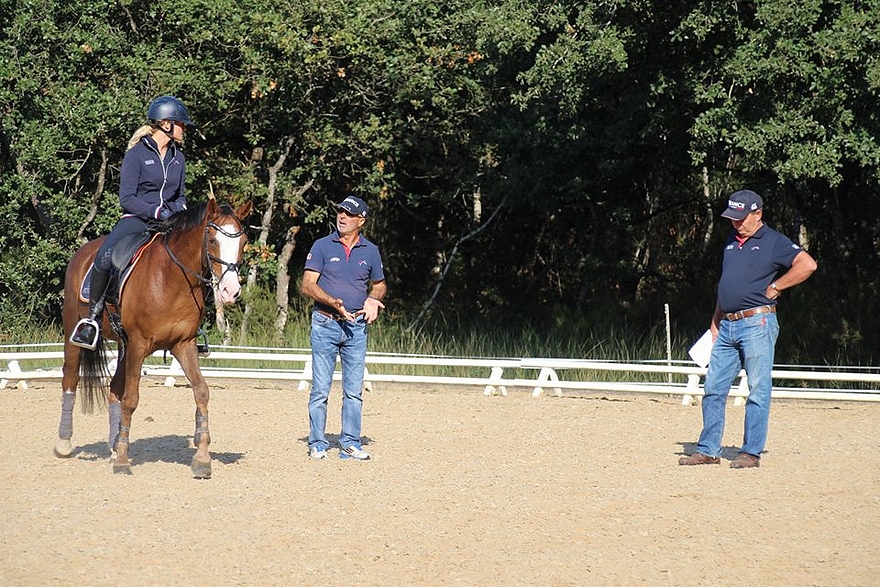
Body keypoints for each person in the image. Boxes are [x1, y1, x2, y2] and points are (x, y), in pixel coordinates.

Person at [680, 189, 817, 469]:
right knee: (714, 388)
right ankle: (707, 449)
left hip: (757, 322)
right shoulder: (731, 240)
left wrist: (777, 286)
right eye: (732, 218)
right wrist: (716, 317)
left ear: (758, 214)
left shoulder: (775, 241)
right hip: (727, 324)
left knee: (757, 389)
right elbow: (727, 281)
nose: (736, 223)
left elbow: (808, 264)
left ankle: (750, 452)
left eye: (741, 218)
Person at [69, 95, 194, 350]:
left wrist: (180, 211)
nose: (184, 130)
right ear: (166, 124)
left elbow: (180, 195)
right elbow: (126, 198)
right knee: (104, 256)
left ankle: (191, 324)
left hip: (169, 222)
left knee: (193, 256)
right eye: (181, 124)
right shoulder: (136, 155)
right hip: (137, 219)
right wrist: (156, 211)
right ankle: (92, 321)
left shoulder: (177, 159)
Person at [301, 195, 387, 460]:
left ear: (361, 220)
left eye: (348, 214)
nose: (342, 217)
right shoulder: (323, 245)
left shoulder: (370, 251)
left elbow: (380, 284)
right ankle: (317, 442)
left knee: (353, 390)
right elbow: (308, 284)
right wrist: (331, 302)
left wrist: (373, 299)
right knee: (321, 388)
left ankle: (350, 442)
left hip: (357, 327)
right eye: (340, 212)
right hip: (326, 323)